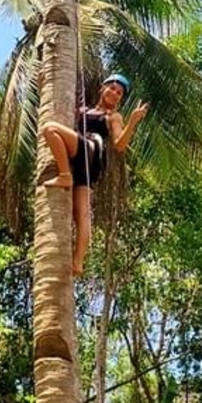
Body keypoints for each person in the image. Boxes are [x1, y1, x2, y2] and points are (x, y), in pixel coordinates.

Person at [42, 73, 149, 276]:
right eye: (112, 88)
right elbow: (57, 106)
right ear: (102, 88)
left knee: (50, 129)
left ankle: (65, 174)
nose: (115, 94)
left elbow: (119, 145)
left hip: (90, 150)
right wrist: (45, 84)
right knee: (81, 212)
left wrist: (133, 121)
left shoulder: (114, 117)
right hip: (89, 160)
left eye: (119, 93)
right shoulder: (82, 110)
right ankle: (78, 262)